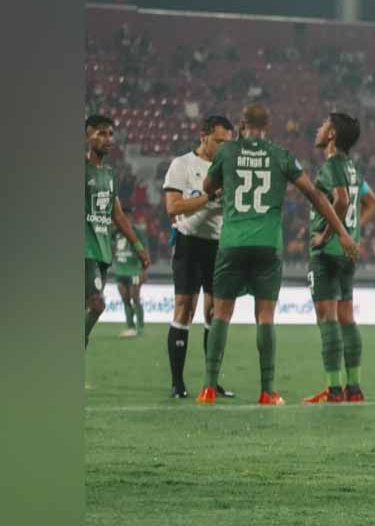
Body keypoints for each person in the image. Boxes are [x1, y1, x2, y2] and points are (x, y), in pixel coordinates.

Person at [197, 103, 359, 406]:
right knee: (265, 317)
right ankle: (267, 391)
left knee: (221, 314)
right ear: (267, 126)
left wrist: (225, 185)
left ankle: (207, 387)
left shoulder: (227, 152)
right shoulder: (281, 155)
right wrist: (343, 233)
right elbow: (315, 196)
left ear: (242, 123)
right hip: (267, 246)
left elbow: (208, 186)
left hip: (231, 242)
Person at [302, 113, 375, 404]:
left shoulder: (331, 166)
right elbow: (373, 203)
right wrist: (353, 231)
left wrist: (324, 235)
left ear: (332, 135)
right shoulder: (353, 169)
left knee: (327, 318)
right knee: (347, 318)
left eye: (323, 125)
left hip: (327, 253)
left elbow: (342, 199)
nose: (318, 128)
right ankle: (354, 388)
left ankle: (334, 390)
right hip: (347, 253)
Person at [163, 115, 236, 399]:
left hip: (219, 245)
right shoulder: (182, 165)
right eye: (219, 141)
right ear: (203, 135)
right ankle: (177, 383)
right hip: (188, 242)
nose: (223, 147)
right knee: (184, 308)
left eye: (227, 143)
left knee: (215, 313)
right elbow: (173, 207)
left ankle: (211, 382)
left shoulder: (229, 168)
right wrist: (209, 197)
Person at [85, 115, 150, 348]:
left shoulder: (109, 173)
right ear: (87, 136)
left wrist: (138, 247)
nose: (108, 139)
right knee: (96, 304)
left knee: (90, 306)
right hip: (86, 251)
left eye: (111, 134)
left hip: (102, 253)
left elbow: (118, 215)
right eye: (101, 133)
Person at [112, 225, 148, 338]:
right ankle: (130, 327)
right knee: (125, 299)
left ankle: (140, 328)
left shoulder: (137, 232)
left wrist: (144, 270)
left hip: (134, 271)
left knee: (135, 298)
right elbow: (111, 246)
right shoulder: (115, 232)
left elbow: (144, 249)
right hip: (120, 271)